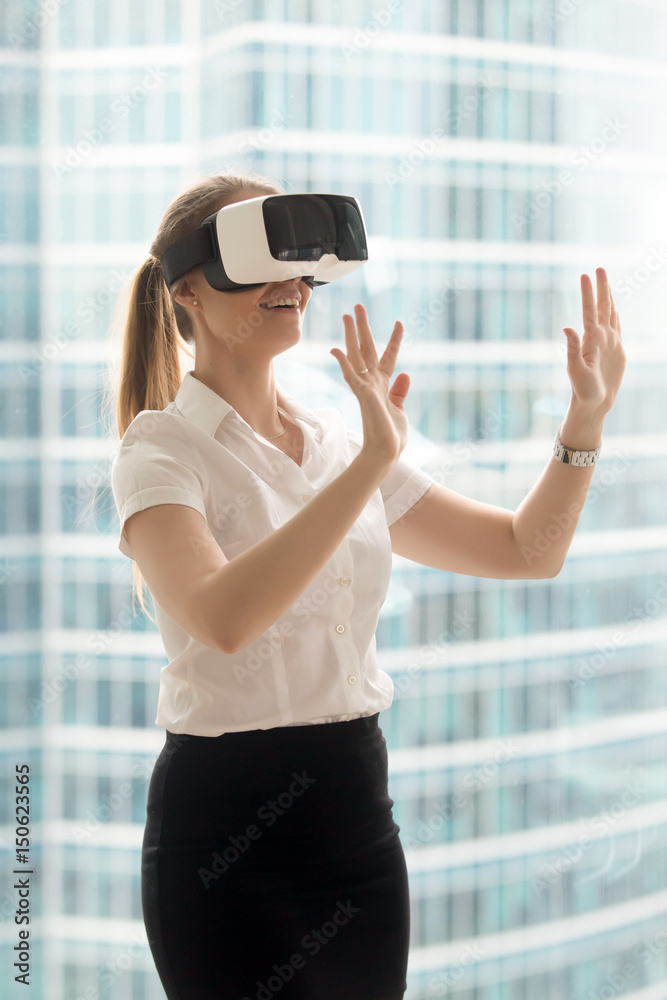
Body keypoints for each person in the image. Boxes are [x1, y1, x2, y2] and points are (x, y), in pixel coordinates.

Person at [109, 171, 626, 1000]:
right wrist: (371, 464)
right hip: (224, 838)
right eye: (257, 260)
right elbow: (223, 617)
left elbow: (526, 550)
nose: (288, 282)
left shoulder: (337, 441)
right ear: (188, 291)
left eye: (297, 265)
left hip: (354, 818)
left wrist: (584, 422)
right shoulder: (159, 451)